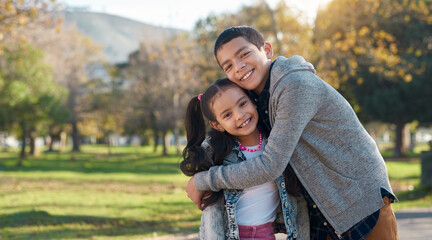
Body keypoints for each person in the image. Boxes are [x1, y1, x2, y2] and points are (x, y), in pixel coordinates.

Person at [186, 26, 399, 239]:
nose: (239, 67)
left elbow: (271, 164)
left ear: (266, 50)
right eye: (228, 66)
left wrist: (203, 180)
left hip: (358, 200)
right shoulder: (253, 99)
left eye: (244, 54)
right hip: (323, 208)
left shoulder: (294, 85)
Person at [180, 78, 309, 240]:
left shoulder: (277, 145)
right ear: (217, 125)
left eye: (242, 104)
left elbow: (297, 200)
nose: (240, 115)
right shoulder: (214, 152)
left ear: (252, 101)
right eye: (227, 115)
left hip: (266, 235)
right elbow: (211, 211)